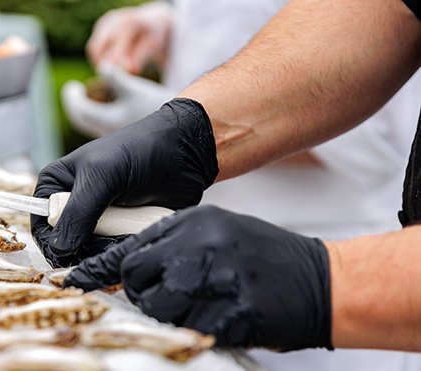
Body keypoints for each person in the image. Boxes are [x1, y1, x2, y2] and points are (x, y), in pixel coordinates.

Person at [31, 0, 421, 354]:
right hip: (217, 253)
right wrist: (194, 130)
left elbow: (383, 143)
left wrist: (324, 281)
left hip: (356, 281)